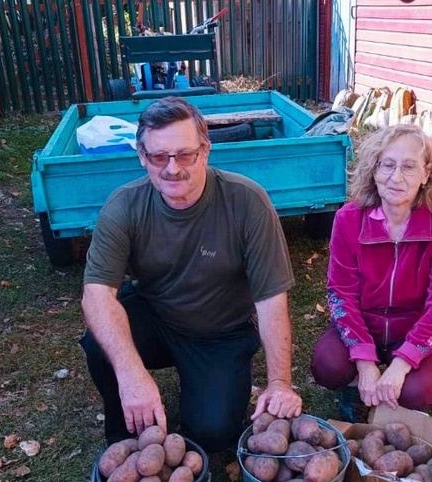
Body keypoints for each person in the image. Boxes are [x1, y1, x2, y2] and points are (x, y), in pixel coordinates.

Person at [80, 97, 302, 452]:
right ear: (141, 156)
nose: (173, 168)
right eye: (159, 157)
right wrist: (131, 373)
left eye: (185, 154)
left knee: (214, 432)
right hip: (158, 315)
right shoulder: (124, 206)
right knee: (99, 343)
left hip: (221, 333)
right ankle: (125, 430)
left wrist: (280, 381)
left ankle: (202, 392)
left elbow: (271, 300)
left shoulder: (248, 202)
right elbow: (96, 294)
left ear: (206, 150)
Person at [310, 124, 432, 422]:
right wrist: (364, 360)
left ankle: (393, 382)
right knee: (327, 365)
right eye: (388, 165)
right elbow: (340, 294)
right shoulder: (348, 219)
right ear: (374, 170)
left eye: (409, 167)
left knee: (415, 393)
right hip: (364, 322)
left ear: (426, 174)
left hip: (415, 326)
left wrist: (402, 363)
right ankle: (356, 386)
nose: (396, 178)